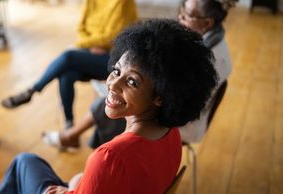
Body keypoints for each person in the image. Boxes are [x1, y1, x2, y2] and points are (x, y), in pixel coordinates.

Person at [0, 19, 217, 194]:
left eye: (132, 81)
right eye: (117, 71)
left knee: (24, 162)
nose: (112, 84)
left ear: (160, 96)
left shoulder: (111, 157)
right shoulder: (172, 134)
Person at [43, 0, 237, 150]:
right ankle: (79, 137)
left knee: (114, 102)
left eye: (187, 15)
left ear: (207, 22)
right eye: (181, 10)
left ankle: (78, 138)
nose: (180, 18)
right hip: (175, 104)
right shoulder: (209, 42)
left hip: (184, 120)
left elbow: (183, 100)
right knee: (107, 94)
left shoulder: (214, 59)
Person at [1, 0, 138, 128]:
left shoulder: (122, 2)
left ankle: (32, 90)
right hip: (90, 51)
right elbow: (81, 28)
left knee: (68, 56)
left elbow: (112, 37)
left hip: (115, 60)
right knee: (66, 74)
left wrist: (83, 44)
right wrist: (90, 46)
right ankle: (69, 124)